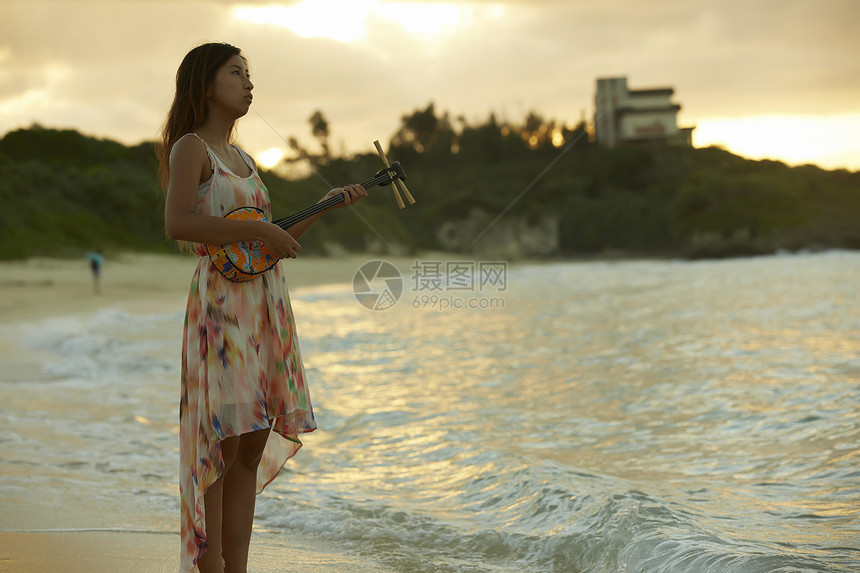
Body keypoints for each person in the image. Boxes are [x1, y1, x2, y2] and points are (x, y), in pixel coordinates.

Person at [157, 42, 367, 573]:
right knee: (223, 445)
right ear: (207, 84)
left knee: (250, 445)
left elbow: (267, 241)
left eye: (249, 75)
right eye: (237, 74)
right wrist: (259, 228)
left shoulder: (246, 160)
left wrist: (326, 206)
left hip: (262, 305)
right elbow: (178, 223)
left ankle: (238, 569)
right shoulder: (191, 149)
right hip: (222, 311)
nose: (249, 84)